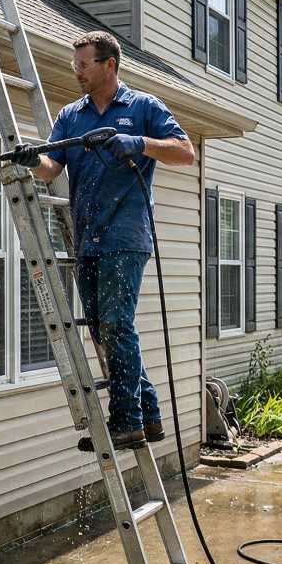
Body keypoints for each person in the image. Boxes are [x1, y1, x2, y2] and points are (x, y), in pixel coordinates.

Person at [15, 31, 195, 451]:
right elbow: (51, 168)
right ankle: (149, 416)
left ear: (108, 65)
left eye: (84, 64)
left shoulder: (143, 107)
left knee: (116, 325)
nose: (76, 71)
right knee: (104, 330)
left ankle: (126, 421)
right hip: (87, 238)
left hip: (127, 235)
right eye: (74, 64)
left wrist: (141, 143)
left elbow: (185, 153)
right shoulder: (71, 116)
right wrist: (32, 160)